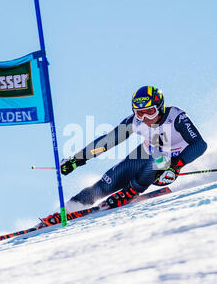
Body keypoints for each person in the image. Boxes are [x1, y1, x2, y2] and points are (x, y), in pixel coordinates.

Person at [58, 86, 207, 216]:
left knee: (159, 158)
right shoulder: (134, 122)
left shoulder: (176, 117)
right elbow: (107, 142)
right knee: (107, 182)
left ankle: (129, 192)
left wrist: (176, 165)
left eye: (150, 111)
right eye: (139, 113)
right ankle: (71, 207)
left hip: (167, 167)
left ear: (160, 107)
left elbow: (200, 144)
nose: (146, 118)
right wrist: (77, 159)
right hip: (144, 154)